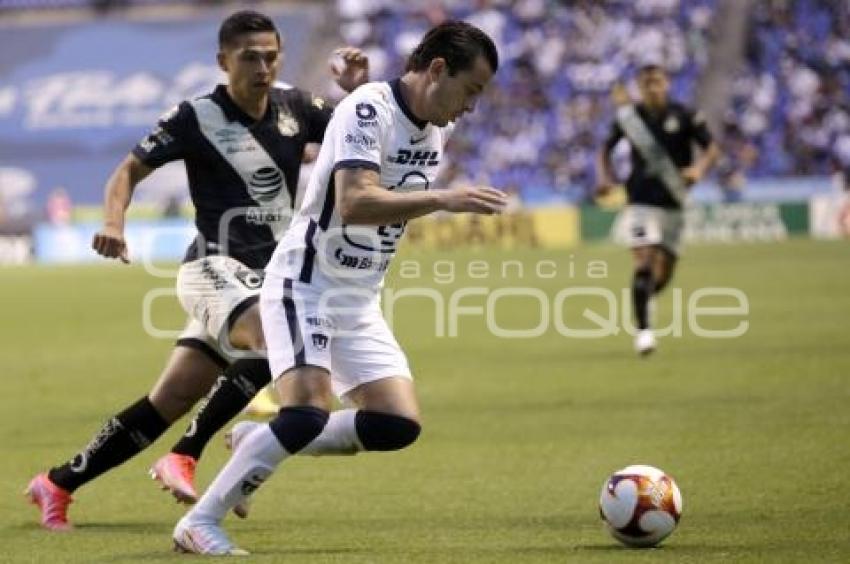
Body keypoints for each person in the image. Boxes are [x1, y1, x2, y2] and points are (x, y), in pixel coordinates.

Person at [24, 9, 369, 531]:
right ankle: (186, 453)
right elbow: (128, 170)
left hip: (265, 276)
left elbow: (356, 134)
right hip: (212, 268)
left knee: (171, 397)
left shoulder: (296, 106)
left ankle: (57, 483)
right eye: (249, 57)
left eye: (270, 56)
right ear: (222, 61)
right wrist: (114, 224)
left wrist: (355, 95)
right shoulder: (195, 116)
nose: (262, 67)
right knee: (280, 342)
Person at [172, 20, 505, 555]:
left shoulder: (429, 128)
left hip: (358, 297)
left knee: (396, 423)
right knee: (306, 413)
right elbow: (354, 201)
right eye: (471, 90)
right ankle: (200, 522)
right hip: (307, 282)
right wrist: (442, 199)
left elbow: (384, 153)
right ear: (438, 69)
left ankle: (259, 441)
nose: (470, 106)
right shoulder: (369, 107)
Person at [596, 65, 719, 355]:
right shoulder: (629, 118)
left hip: (674, 204)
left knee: (662, 275)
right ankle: (644, 333)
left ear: (667, 84)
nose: (653, 88)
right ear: (639, 87)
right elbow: (604, 150)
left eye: (658, 83)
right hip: (640, 201)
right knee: (644, 263)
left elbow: (712, 149)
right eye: (647, 84)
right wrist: (604, 178)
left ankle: (644, 301)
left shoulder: (685, 115)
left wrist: (699, 170)